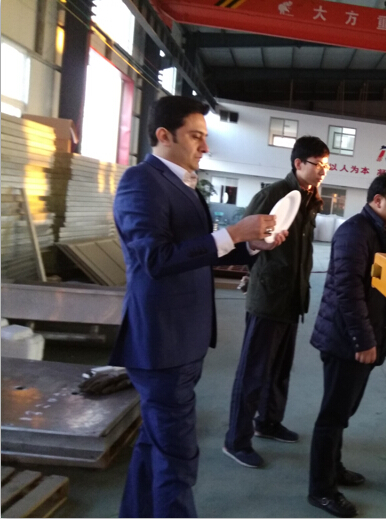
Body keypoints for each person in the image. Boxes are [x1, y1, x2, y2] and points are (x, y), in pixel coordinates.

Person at [111, 95, 286, 518]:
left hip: (184, 341)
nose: (204, 146)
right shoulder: (141, 182)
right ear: (164, 135)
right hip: (161, 344)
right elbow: (156, 259)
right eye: (195, 136)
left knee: (155, 445)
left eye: (204, 137)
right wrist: (234, 233)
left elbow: (198, 252)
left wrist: (251, 245)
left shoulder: (183, 186)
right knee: (178, 457)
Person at [223, 136, 330, 468]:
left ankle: (268, 422)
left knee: (279, 369)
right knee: (253, 371)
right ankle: (236, 440)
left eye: (327, 165)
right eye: (318, 164)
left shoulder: (311, 199)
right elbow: (243, 237)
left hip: (292, 297)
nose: (323, 171)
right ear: (298, 163)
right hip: (269, 297)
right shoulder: (273, 195)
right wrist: (259, 249)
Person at [308, 173, 386, 518]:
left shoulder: (381, 233)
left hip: (360, 336)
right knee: (333, 415)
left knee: (343, 413)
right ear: (377, 200)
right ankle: (321, 490)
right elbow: (348, 291)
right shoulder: (355, 232)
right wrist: (363, 339)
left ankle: (333, 468)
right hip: (345, 341)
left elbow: (383, 283)